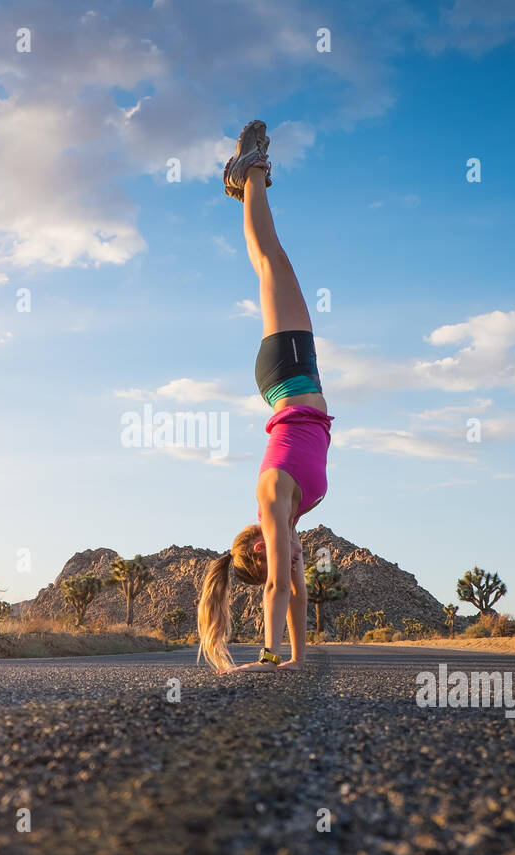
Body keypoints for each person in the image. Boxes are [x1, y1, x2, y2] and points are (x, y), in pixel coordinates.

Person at [196, 120, 334, 674]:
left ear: (259, 547)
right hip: (291, 380)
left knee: (272, 260)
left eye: (281, 556)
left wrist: (269, 656)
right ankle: (248, 177)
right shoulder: (287, 520)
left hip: (290, 376)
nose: (297, 561)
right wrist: (297, 660)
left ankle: (251, 170)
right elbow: (295, 592)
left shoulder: (275, 499)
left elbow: (278, 583)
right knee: (269, 264)